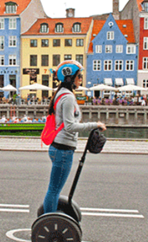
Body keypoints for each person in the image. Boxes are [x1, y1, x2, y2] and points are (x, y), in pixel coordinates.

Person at [42, 60, 106, 214]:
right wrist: (94, 125)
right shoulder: (68, 97)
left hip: (60, 147)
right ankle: (48, 221)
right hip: (63, 150)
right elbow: (70, 126)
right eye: (79, 76)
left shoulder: (62, 94)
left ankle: (49, 217)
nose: (81, 79)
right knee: (54, 190)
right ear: (69, 78)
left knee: (54, 189)